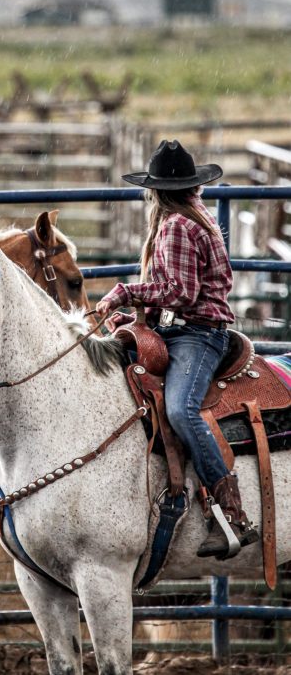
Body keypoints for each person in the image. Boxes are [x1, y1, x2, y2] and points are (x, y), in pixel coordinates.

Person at [95, 139, 259, 560]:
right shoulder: (188, 218)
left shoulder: (179, 226)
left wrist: (126, 292)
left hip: (199, 334)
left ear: (156, 191)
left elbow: (182, 293)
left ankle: (233, 514)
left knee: (181, 409)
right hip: (181, 329)